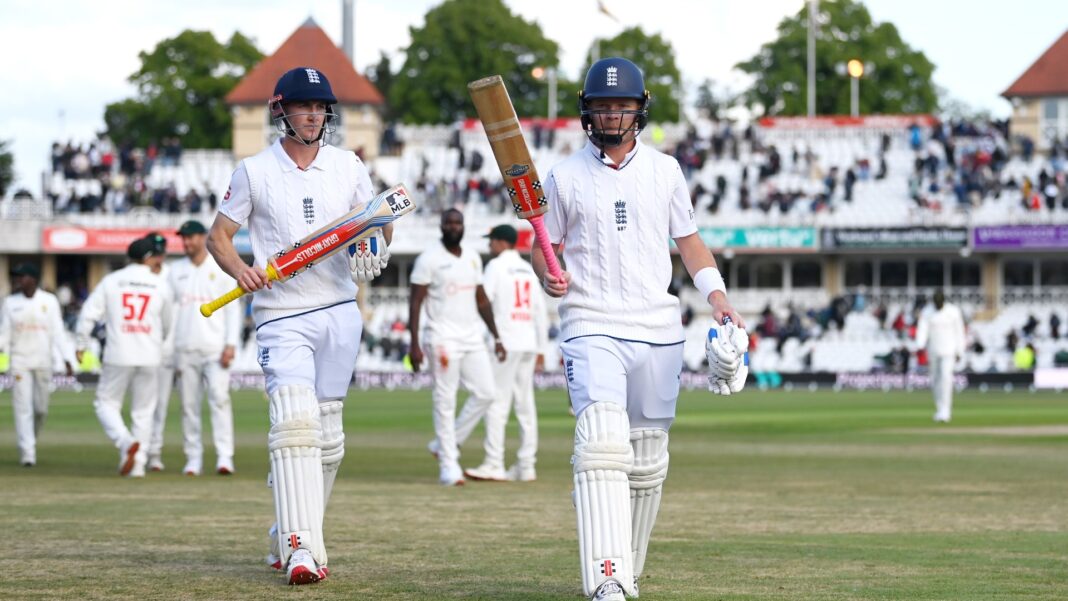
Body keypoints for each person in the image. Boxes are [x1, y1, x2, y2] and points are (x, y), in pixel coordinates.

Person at [531, 57, 748, 601]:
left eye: (620, 106)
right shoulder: (562, 175)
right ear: (587, 111)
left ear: (638, 110)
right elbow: (544, 245)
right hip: (590, 322)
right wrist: (547, 275)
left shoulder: (666, 170)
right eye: (602, 106)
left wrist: (717, 296)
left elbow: (690, 242)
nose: (610, 115)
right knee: (602, 446)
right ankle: (606, 575)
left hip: (658, 326)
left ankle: (627, 570)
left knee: (647, 460)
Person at [206, 66, 390, 585]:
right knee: (293, 425)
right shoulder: (254, 170)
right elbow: (218, 237)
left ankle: (287, 526)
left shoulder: (348, 164)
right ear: (280, 110)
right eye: (303, 106)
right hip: (281, 314)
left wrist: (374, 241)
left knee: (327, 439)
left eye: (320, 107)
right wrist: (240, 269)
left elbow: (378, 219)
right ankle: (301, 549)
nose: (313, 115)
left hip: (338, 310)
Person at [408, 208, 507, 486]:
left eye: (458, 222)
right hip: (441, 337)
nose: (453, 226)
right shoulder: (429, 259)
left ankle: (445, 444)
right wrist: (414, 343)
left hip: (472, 336)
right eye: (448, 222)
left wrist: (497, 336)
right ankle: (449, 466)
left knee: (487, 393)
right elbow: (415, 302)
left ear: (463, 226)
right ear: (441, 225)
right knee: (445, 399)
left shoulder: (473, 257)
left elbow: (482, 300)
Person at [76, 236, 173, 477]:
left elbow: (89, 313)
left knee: (105, 403)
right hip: (150, 353)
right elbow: (168, 322)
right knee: (143, 410)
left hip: (119, 352)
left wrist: (81, 343)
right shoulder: (159, 284)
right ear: (148, 258)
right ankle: (137, 465)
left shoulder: (112, 281)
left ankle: (125, 442)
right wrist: (159, 344)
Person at [464, 224, 547, 482]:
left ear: (501, 243)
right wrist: (542, 349)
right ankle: (526, 465)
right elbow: (540, 311)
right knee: (525, 405)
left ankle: (493, 463)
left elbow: (482, 302)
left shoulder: (496, 267)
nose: (490, 246)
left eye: (492, 241)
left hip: (505, 342)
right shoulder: (527, 270)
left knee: (497, 403)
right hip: (528, 342)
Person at [168, 220, 242, 476]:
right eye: (184, 238)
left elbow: (233, 308)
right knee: (188, 406)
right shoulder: (174, 270)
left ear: (203, 237)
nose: (187, 243)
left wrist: (231, 344)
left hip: (215, 348)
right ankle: (193, 458)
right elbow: (170, 312)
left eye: (191, 237)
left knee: (219, 400)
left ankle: (224, 457)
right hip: (184, 347)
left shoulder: (220, 268)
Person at [0, 263, 76, 466]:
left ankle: (30, 440)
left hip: (43, 360)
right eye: (16, 277)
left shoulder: (49, 301)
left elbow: (58, 332)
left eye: (22, 276)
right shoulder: (10, 303)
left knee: (40, 409)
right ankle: (28, 452)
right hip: (19, 361)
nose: (18, 280)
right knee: (22, 407)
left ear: (33, 279)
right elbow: (4, 334)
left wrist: (68, 359)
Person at [143, 231, 175, 472]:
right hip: (141, 349)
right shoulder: (138, 277)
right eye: (153, 254)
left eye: (160, 254)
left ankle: (154, 452)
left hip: (165, 351)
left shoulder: (170, 278)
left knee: (160, 405)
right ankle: (139, 450)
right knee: (142, 405)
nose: (157, 259)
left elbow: (174, 317)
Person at [914, 290, 966, 423]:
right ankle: (940, 409)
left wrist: (960, 351)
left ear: (943, 301)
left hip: (949, 351)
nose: (938, 305)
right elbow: (922, 329)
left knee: (946, 378)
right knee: (935, 380)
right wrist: (920, 346)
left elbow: (959, 332)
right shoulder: (927, 312)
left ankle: (946, 410)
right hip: (933, 351)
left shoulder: (953, 312)